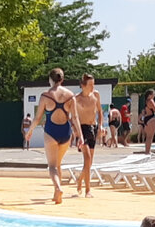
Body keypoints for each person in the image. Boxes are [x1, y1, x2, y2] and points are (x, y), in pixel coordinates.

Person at [24, 67, 80, 205]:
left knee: (52, 166)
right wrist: (81, 136)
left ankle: (58, 188)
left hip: (51, 132)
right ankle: (56, 194)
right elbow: (75, 118)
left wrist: (30, 131)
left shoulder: (46, 96)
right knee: (58, 164)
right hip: (65, 132)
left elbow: (37, 118)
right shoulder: (70, 95)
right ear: (62, 79)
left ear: (50, 79)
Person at [74, 73, 101, 198]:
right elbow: (73, 117)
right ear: (83, 85)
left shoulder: (96, 95)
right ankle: (88, 190)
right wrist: (76, 132)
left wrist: (101, 126)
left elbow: (100, 111)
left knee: (90, 162)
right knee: (87, 158)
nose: (92, 87)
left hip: (92, 127)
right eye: (90, 85)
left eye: (93, 84)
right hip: (82, 129)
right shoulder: (76, 99)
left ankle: (80, 180)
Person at [139, 89, 155, 155]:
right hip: (151, 118)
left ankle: (147, 150)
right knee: (150, 136)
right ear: (150, 95)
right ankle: (148, 151)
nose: (154, 95)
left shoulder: (146, 101)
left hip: (147, 118)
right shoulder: (151, 100)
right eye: (153, 94)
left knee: (148, 136)